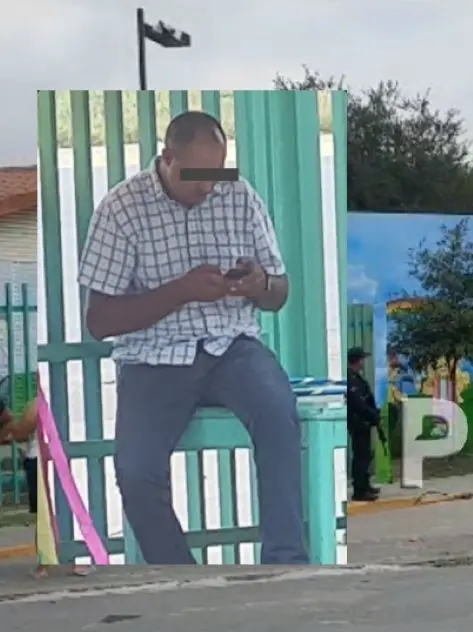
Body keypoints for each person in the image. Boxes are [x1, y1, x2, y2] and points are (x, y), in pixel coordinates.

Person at [77, 110, 307, 565]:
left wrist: (259, 284)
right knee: (136, 472)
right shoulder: (121, 208)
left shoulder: (239, 195)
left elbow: (279, 293)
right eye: (197, 175)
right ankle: (182, 577)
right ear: (166, 158)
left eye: (216, 172)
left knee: (279, 413)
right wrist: (180, 291)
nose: (209, 187)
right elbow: (99, 321)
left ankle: (285, 562)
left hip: (232, 346)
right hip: (153, 357)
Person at [346, 347, 382, 501]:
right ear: (357, 360)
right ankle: (359, 490)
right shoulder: (350, 379)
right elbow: (358, 403)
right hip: (358, 422)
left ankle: (365, 485)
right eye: (362, 359)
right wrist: (371, 414)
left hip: (364, 422)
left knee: (366, 455)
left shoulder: (356, 377)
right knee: (361, 456)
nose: (363, 362)